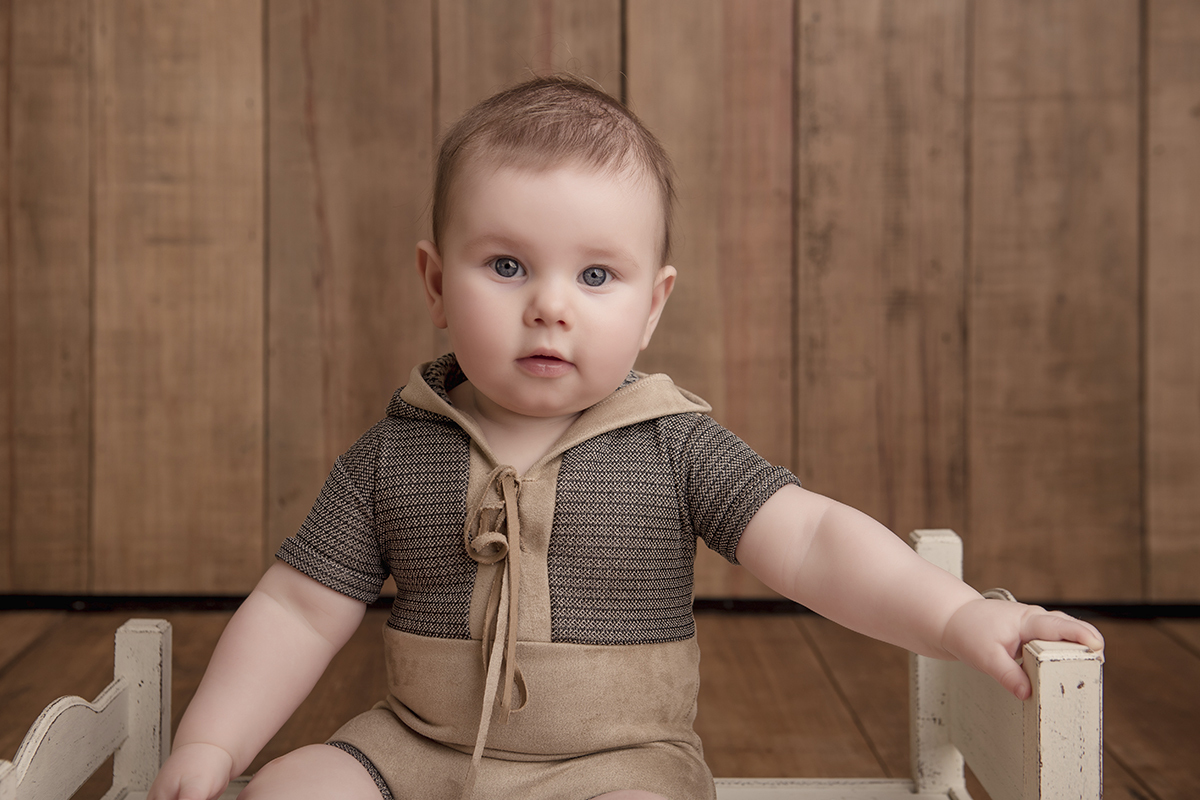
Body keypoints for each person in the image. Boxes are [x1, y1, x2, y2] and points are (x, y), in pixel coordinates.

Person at [147, 75, 1104, 800]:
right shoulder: (395, 453)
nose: (550, 308)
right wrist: (212, 745)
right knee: (287, 790)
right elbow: (297, 610)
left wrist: (956, 618)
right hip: (419, 751)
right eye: (508, 265)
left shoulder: (672, 446)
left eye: (596, 277)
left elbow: (811, 539)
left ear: (654, 306)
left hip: (616, 767)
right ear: (436, 284)